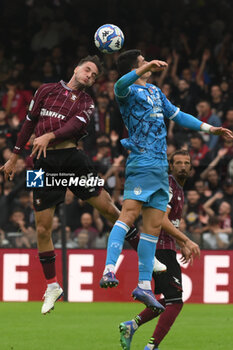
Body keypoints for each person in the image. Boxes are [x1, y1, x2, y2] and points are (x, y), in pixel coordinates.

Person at [99, 49, 233, 312]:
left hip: (161, 167)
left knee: (151, 229)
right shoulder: (126, 92)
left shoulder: (155, 92)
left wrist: (209, 128)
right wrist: (144, 67)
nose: (147, 64)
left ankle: (144, 286)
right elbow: (119, 83)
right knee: (128, 215)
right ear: (135, 67)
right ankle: (108, 270)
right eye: (142, 62)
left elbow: (179, 116)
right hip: (142, 161)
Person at [0, 55, 133, 315]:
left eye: (94, 76)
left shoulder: (86, 102)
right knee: (42, 228)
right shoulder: (45, 90)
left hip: (73, 159)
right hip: (40, 163)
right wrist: (14, 157)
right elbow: (29, 122)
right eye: (87, 70)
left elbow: (74, 126)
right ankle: (52, 286)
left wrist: (49, 135)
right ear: (76, 68)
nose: (89, 77)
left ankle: (146, 254)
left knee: (109, 208)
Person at [118, 150, 200, 350]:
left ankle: (132, 325)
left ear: (191, 167)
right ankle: (151, 347)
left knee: (166, 299)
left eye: (186, 163)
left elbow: (168, 221)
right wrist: (187, 241)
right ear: (171, 166)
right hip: (159, 248)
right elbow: (160, 219)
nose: (182, 166)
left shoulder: (178, 188)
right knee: (176, 301)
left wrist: (180, 243)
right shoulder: (170, 185)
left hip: (165, 247)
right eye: (178, 162)